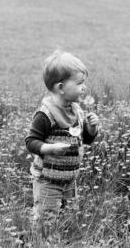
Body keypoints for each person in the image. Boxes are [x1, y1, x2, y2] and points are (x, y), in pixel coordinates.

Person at [25, 48, 99, 225]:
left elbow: (86, 140)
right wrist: (50, 148)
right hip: (48, 179)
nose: (84, 87)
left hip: (69, 178)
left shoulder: (77, 110)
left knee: (65, 218)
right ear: (61, 88)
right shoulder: (45, 115)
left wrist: (92, 128)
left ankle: (60, 238)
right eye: (80, 83)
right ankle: (40, 238)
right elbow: (31, 142)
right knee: (47, 219)